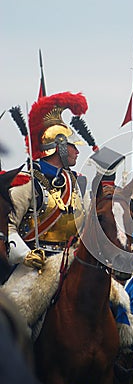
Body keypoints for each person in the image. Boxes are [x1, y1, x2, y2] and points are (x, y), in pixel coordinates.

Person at [8, 91, 92, 272]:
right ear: (59, 146)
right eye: (73, 146)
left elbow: (87, 224)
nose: (77, 152)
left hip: (69, 264)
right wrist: (25, 255)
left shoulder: (76, 183)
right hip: (33, 265)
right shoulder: (25, 182)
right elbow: (7, 227)